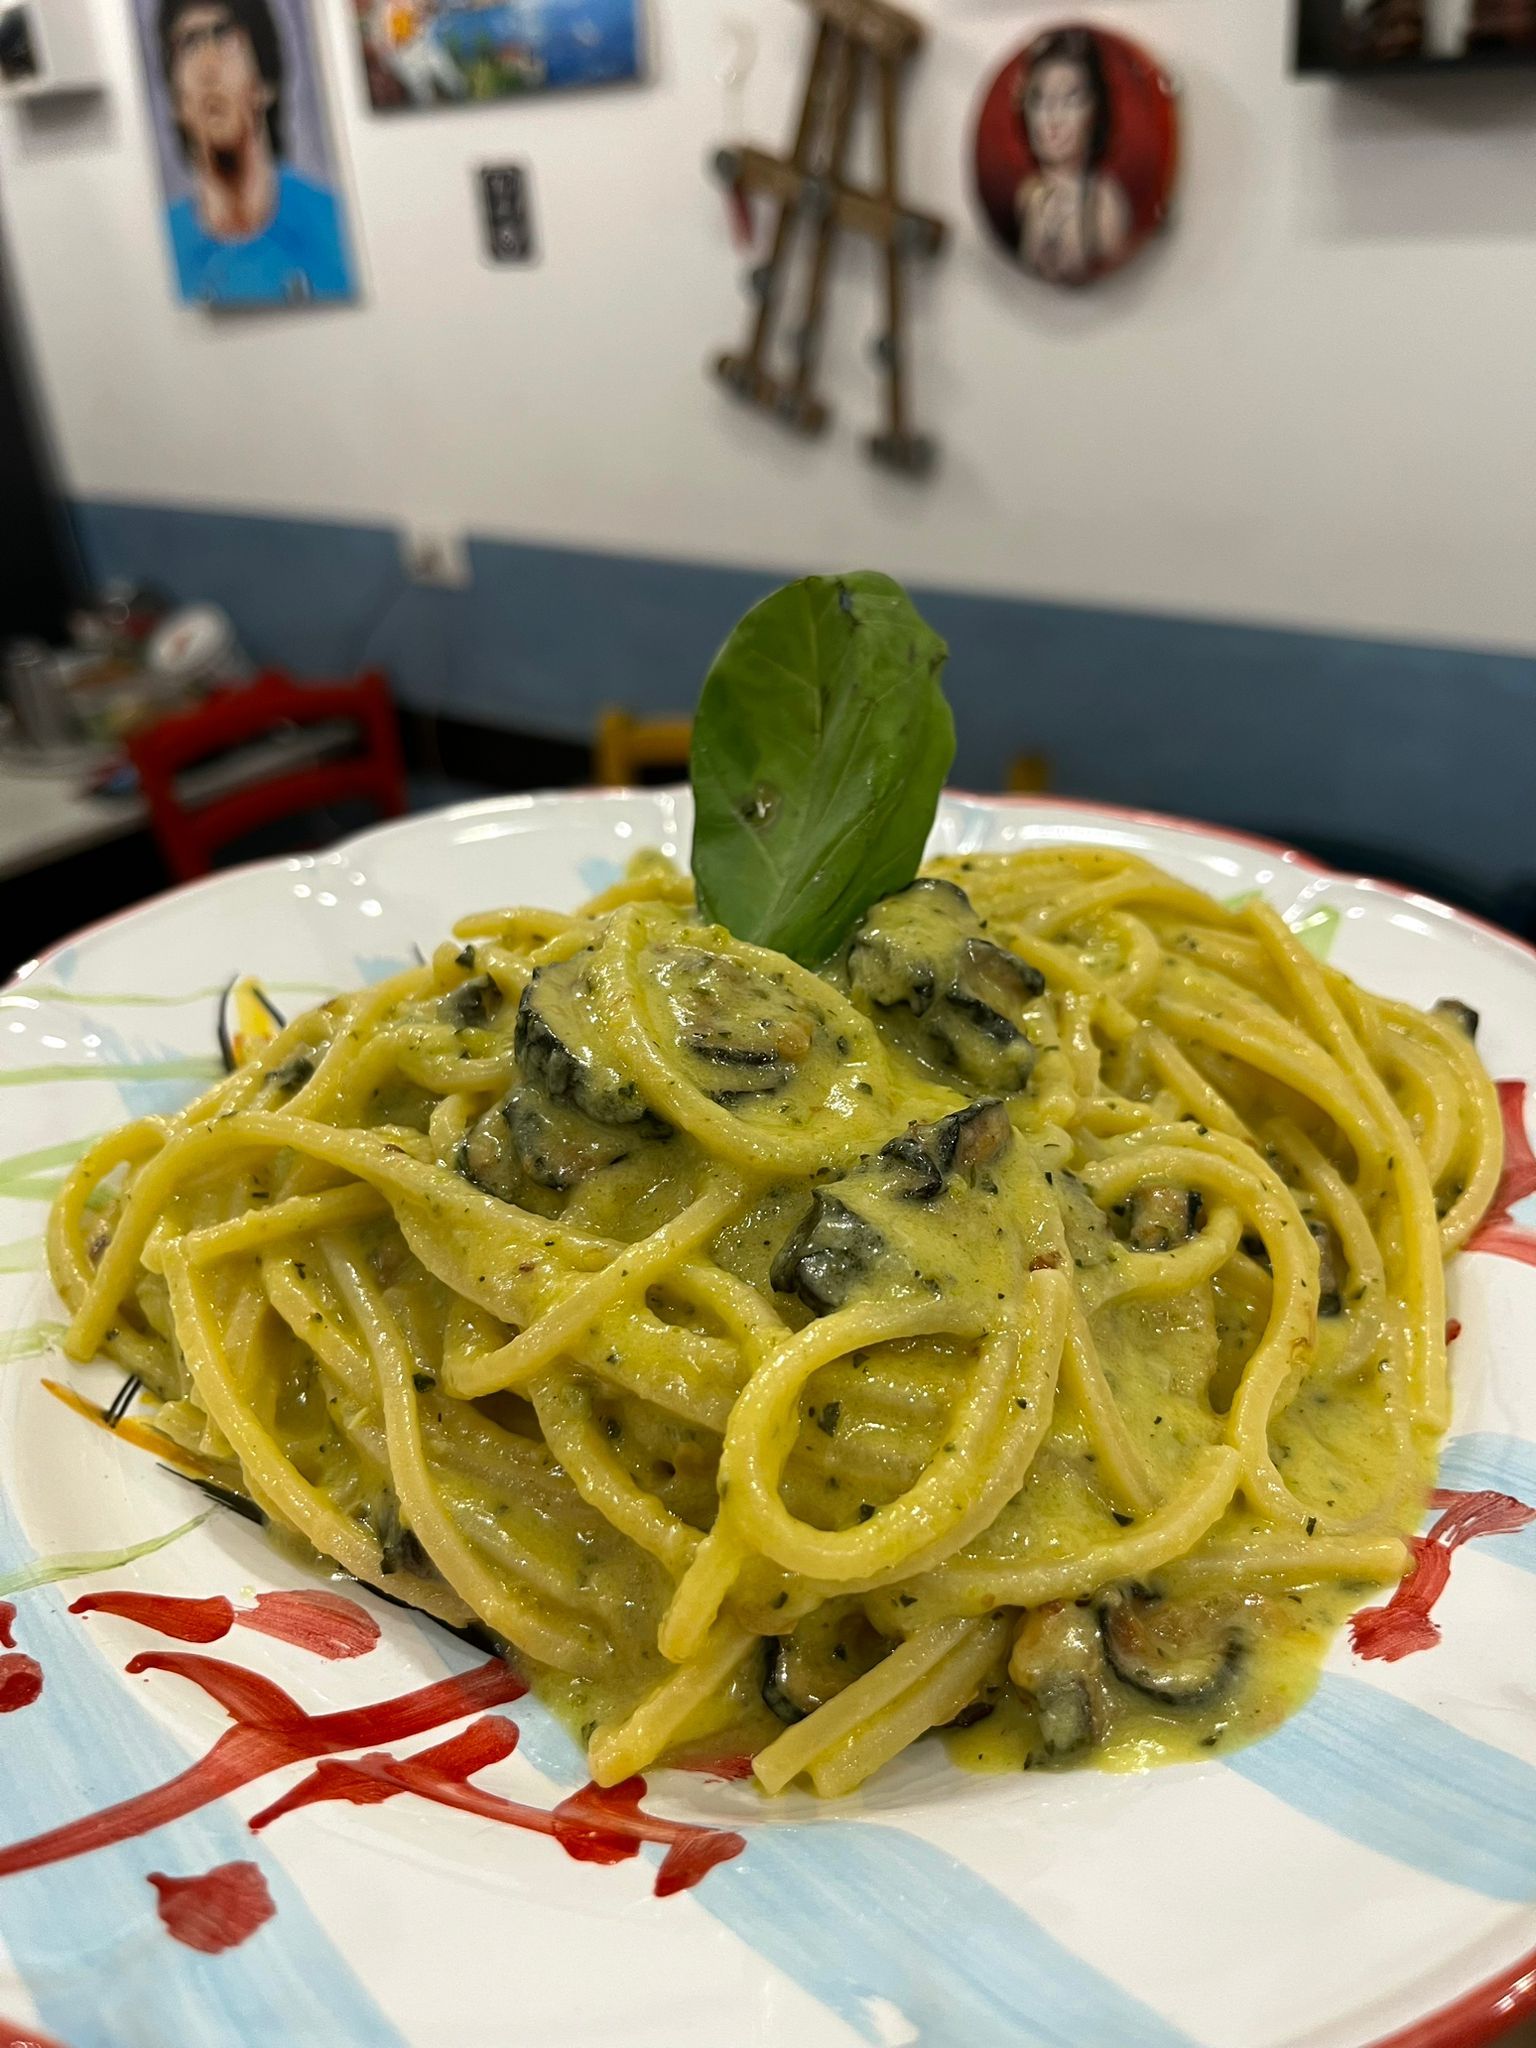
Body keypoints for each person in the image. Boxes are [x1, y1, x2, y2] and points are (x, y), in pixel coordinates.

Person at [158, 0, 354, 305]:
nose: (208, 68)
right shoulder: (162, 248)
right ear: (176, 104)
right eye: (189, 44)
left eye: (223, 36)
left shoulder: (333, 228)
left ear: (264, 83)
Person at [1013, 29, 1131, 287]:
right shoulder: (1028, 196)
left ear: (1095, 111)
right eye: (1040, 101)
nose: (1052, 119)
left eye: (1070, 101)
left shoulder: (1103, 203)